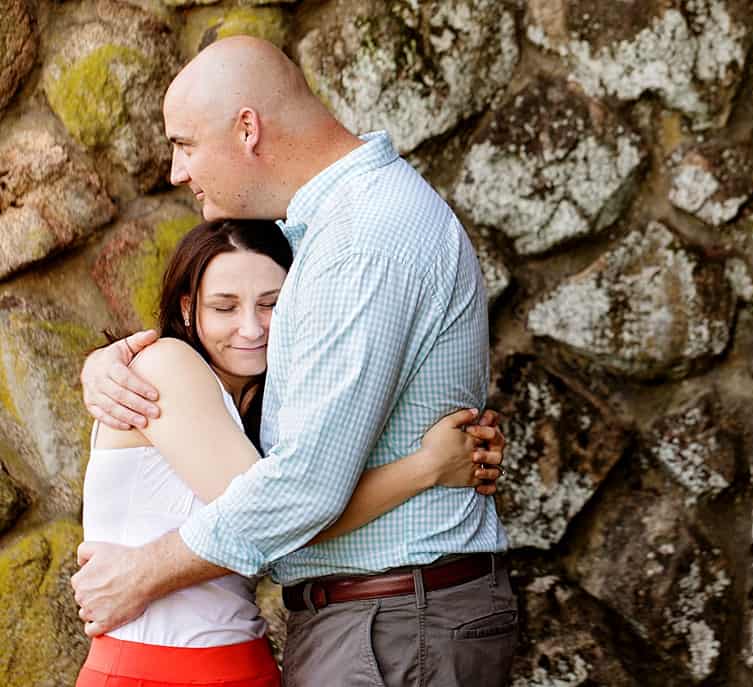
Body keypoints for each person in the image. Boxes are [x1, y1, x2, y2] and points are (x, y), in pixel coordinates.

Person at [73, 35, 516, 687]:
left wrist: (144, 571)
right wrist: (117, 360)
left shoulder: (361, 242)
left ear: (247, 128)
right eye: (223, 304)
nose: (176, 171)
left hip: (392, 626)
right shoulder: (339, 233)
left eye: (185, 144)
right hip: (387, 623)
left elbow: (304, 485)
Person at [77, 219, 502, 687]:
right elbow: (280, 516)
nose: (250, 328)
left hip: (246, 663)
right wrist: (429, 466)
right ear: (187, 307)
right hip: (155, 669)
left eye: (272, 304)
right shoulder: (166, 367)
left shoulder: (265, 408)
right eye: (224, 306)